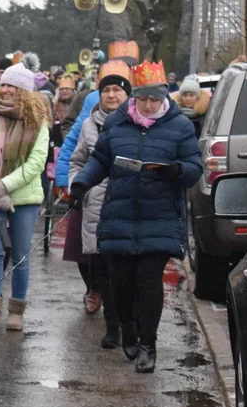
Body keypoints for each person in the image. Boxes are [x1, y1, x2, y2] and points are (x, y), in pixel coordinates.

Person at [70, 60, 203, 373]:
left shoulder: (179, 126)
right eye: (141, 99)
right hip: (120, 213)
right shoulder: (117, 122)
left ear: (164, 99)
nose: (146, 105)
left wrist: (177, 170)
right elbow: (99, 159)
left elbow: (194, 167)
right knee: (120, 282)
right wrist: (80, 184)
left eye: (153, 100)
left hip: (159, 217)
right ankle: (127, 328)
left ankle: (147, 344)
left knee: (148, 282)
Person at [0, 60, 49, 333]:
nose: (6, 90)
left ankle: (17, 310)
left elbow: (36, 163)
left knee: (20, 254)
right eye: (4, 84)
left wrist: (5, 185)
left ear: (25, 91)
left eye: (13, 86)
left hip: (24, 198)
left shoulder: (38, 120)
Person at [68, 60, 132, 348]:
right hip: (95, 205)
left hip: (126, 203)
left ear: (127, 95)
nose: (111, 95)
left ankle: (130, 323)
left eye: (118, 90)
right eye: (106, 90)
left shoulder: (135, 125)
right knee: (102, 267)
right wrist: (77, 185)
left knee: (125, 269)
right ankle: (112, 325)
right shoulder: (87, 125)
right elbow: (78, 161)